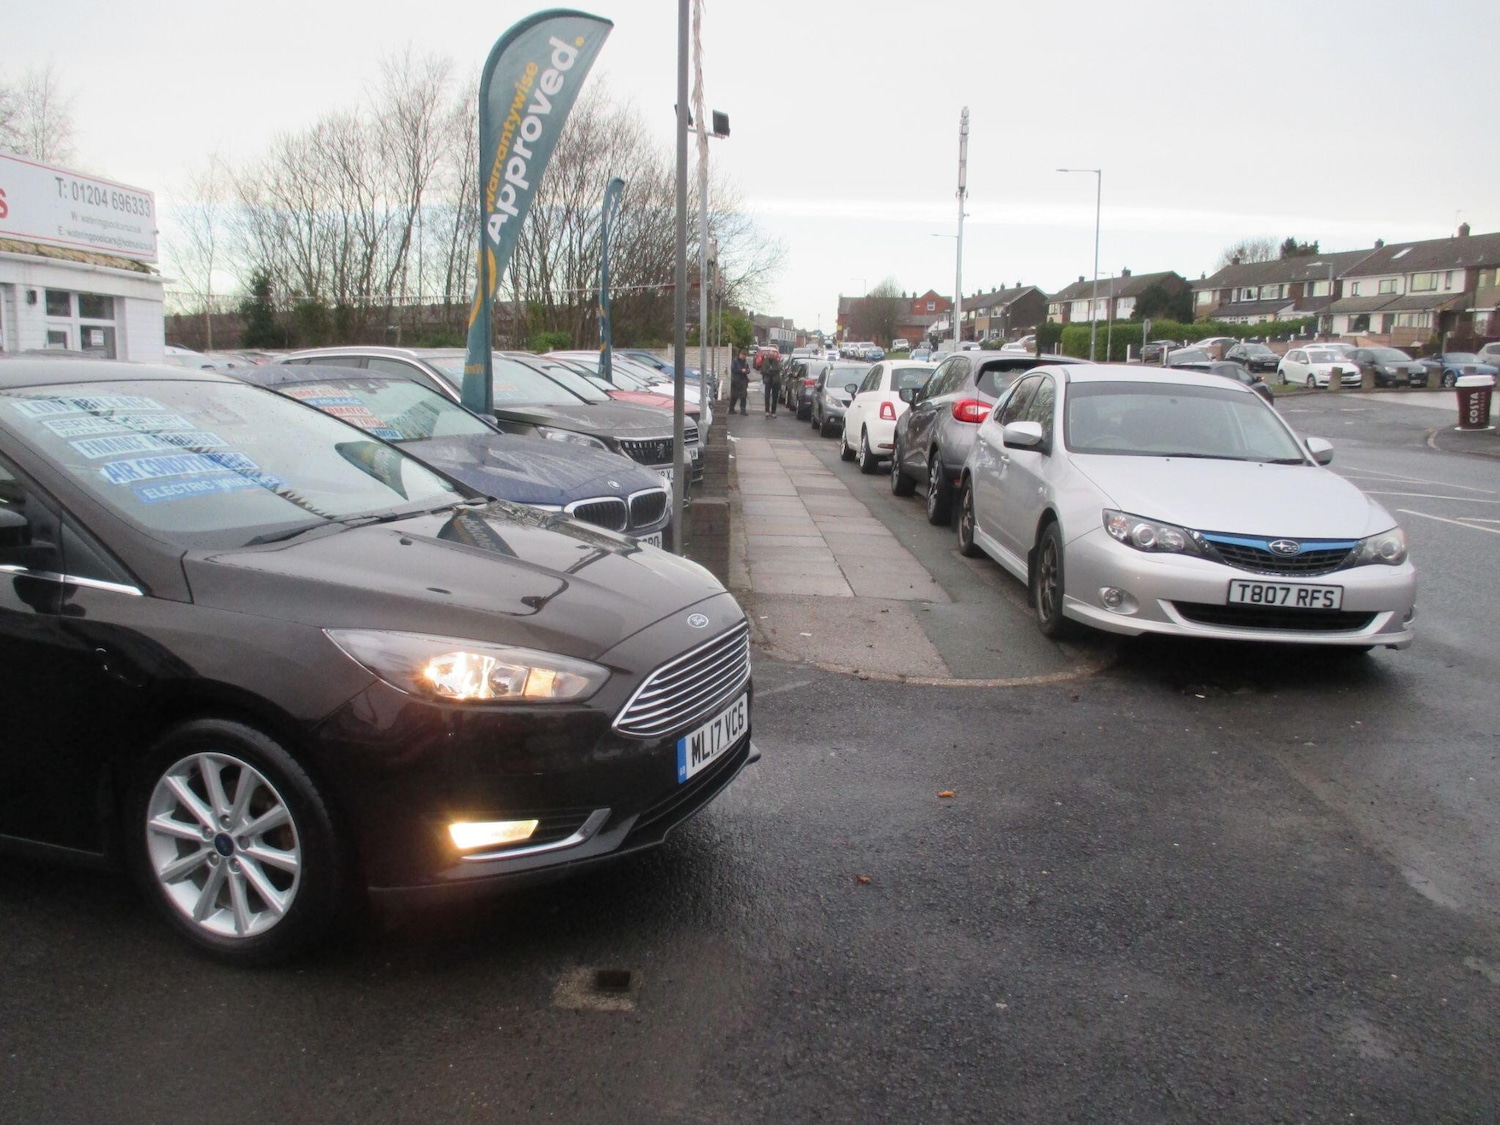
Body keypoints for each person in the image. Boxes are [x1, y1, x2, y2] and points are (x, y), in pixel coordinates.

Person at [761, 350, 782, 417]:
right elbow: (763, 371)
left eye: (773, 355)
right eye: (770, 355)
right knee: (767, 396)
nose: (771, 356)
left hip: (775, 381)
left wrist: (770, 370)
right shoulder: (765, 362)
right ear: (768, 355)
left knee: (775, 397)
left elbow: (778, 369)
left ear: (774, 356)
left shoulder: (777, 362)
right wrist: (771, 370)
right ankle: (767, 411)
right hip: (767, 381)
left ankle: (773, 412)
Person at [729, 350, 750, 415]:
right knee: (734, 395)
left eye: (745, 356)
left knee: (743, 396)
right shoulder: (735, 361)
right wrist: (741, 371)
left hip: (743, 380)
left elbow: (748, 369)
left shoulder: (745, 362)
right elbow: (733, 369)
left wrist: (747, 371)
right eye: (743, 355)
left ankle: (743, 410)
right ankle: (731, 409)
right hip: (736, 380)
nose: (744, 357)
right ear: (740, 354)